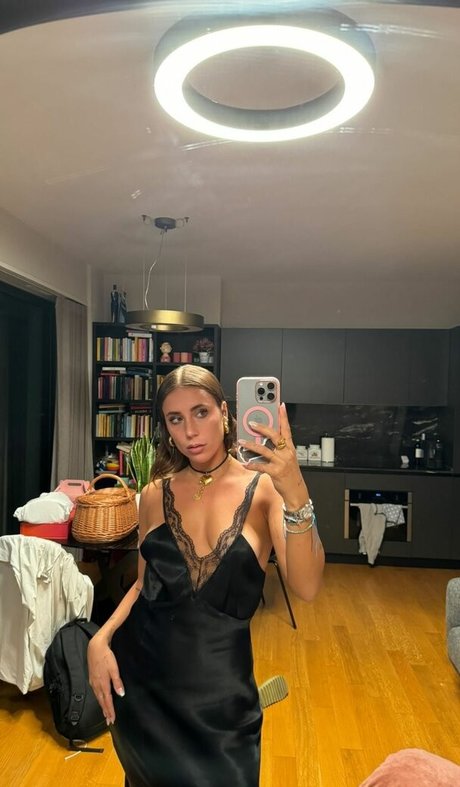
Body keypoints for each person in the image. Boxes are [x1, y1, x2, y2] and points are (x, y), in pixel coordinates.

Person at [88, 365, 324, 787]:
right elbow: (143, 585)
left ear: (225, 413)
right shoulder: (155, 493)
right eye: (175, 419)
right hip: (144, 696)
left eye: (200, 412)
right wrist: (99, 639)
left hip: (224, 711)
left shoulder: (265, 491)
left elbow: (306, 587)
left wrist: (295, 489)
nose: (190, 431)